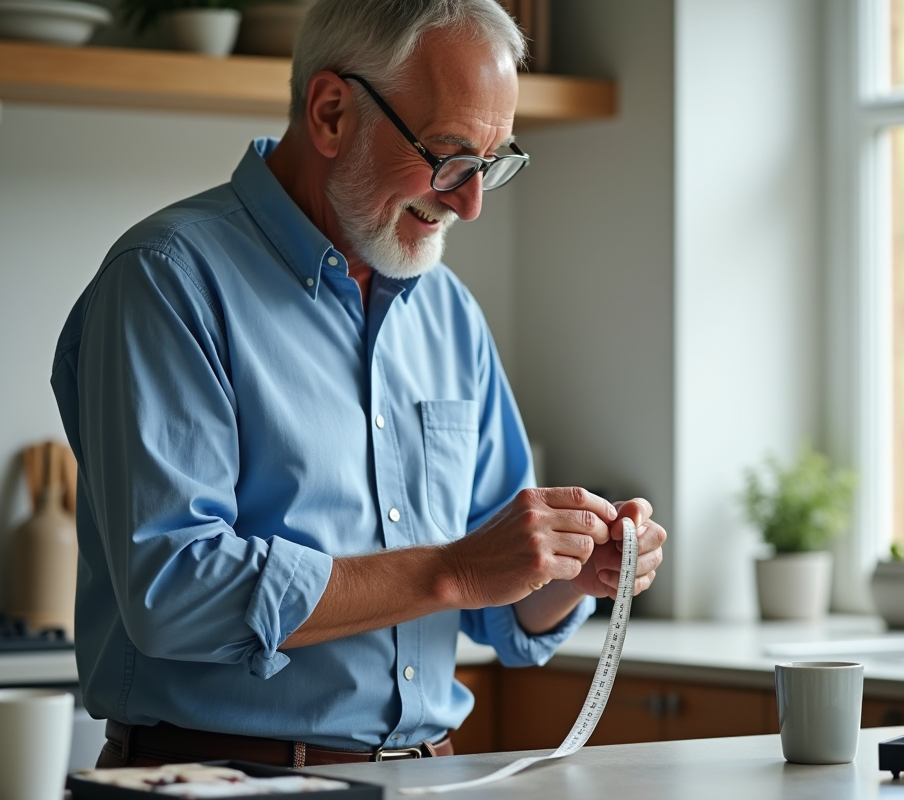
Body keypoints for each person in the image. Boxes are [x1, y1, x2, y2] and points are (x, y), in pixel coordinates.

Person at [51, 0, 667, 769]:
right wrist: (454, 569)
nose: (469, 203)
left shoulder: (447, 312)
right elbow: (175, 592)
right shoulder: (167, 282)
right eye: (448, 156)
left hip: (429, 777)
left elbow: (499, 608)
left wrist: (574, 572)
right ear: (333, 112)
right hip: (214, 781)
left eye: (491, 164)